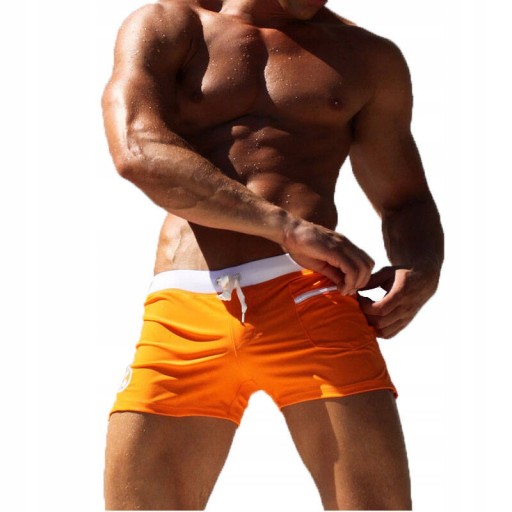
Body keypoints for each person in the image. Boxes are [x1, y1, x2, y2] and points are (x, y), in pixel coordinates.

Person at [101, 0, 444, 509]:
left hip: (311, 297)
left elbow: (405, 199)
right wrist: (284, 227)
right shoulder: (171, 25)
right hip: (184, 308)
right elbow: (137, 150)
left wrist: (423, 265)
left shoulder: (366, 57)